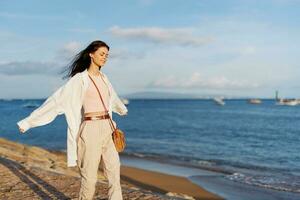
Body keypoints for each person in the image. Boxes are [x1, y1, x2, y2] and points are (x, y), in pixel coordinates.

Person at [17, 40, 128, 200]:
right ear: (91, 54)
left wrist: (122, 109)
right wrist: (28, 122)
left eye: (107, 55)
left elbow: (113, 99)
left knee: (114, 174)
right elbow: (56, 100)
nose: (105, 57)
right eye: (102, 54)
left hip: (109, 128)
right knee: (89, 178)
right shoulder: (79, 80)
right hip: (90, 129)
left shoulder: (105, 78)